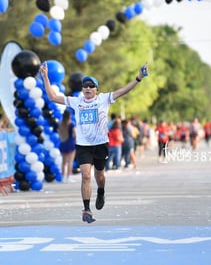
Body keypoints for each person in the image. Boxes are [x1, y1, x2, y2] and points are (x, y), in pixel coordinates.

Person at [40, 62, 148, 223]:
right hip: (83, 146)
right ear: (82, 89)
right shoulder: (76, 101)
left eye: (91, 86)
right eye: (85, 86)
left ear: (96, 89)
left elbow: (123, 91)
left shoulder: (104, 99)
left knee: (99, 175)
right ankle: (86, 209)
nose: (88, 89)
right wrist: (45, 77)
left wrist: (139, 77)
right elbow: (53, 97)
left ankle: (101, 191)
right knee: (85, 176)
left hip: (100, 144)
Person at [58, 109, 76, 183]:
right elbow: (75, 134)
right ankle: (68, 177)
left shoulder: (60, 124)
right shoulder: (71, 124)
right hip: (70, 143)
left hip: (63, 143)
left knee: (63, 162)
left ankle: (63, 177)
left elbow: (59, 133)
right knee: (70, 162)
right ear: (69, 116)